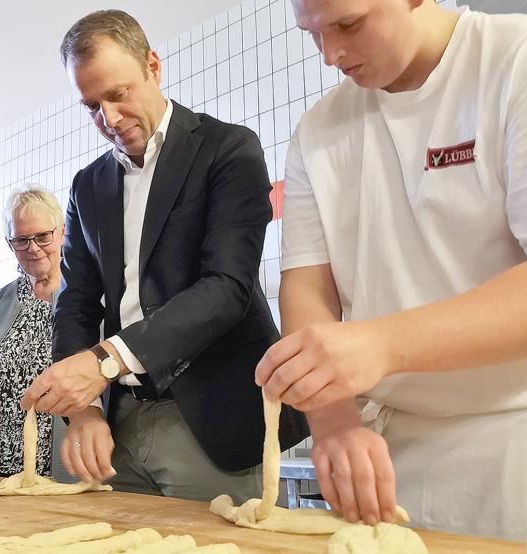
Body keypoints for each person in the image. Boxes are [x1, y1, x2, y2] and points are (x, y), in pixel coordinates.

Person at [254, 0, 527, 540]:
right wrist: (336, 423)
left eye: (348, 24)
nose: (330, 55)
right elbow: (306, 286)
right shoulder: (319, 130)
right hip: (395, 469)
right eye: (312, 33)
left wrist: (381, 345)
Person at [19, 10, 309, 503]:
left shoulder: (227, 149)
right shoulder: (87, 186)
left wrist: (106, 361)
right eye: (91, 105)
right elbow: (77, 304)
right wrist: (83, 409)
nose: (108, 119)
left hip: (211, 421)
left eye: (118, 94)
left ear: (153, 66)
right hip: (118, 424)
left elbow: (227, 288)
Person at [0, 186, 65, 477]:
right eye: (21, 240)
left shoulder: (88, 298)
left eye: (43, 236)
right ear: (10, 245)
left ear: (62, 233)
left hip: (60, 468)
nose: (33, 248)